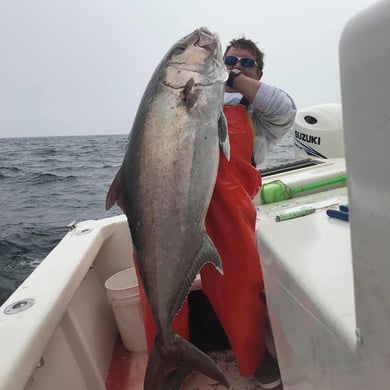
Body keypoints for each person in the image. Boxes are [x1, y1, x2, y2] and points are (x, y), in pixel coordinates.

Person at [199, 36, 297, 389]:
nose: (236, 65)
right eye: (230, 60)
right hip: (185, 204)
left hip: (230, 213)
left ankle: (255, 358)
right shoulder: (201, 101)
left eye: (246, 63)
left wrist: (231, 79)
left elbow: (286, 107)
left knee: (239, 282)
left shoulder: (263, 115)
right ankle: (166, 353)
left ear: (259, 72)